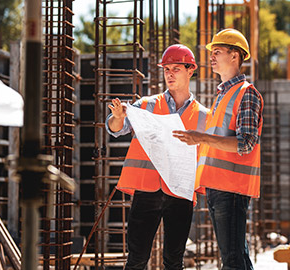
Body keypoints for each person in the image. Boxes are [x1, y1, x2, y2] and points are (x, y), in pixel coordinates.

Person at [106, 44, 208, 270]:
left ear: (190, 70)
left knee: (174, 262)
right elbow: (116, 128)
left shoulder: (204, 116)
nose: (169, 74)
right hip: (147, 190)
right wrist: (118, 117)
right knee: (136, 260)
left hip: (180, 193)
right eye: (166, 69)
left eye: (176, 69)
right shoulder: (146, 105)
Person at [173, 28, 263, 270]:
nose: (211, 56)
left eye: (218, 51)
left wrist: (200, 137)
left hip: (232, 188)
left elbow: (245, 143)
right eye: (211, 52)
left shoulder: (246, 94)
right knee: (237, 258)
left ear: (235, 56)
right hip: (217, 186)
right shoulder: (224, 95)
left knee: (232, 261)